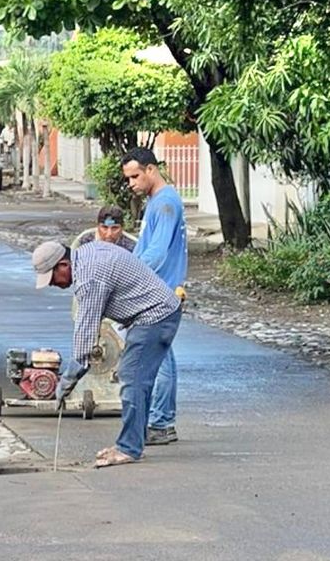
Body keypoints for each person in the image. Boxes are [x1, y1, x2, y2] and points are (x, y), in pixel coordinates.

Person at [32, 240, 182, 467]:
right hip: (158, 312)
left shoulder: (89, 278)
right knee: (139, 381)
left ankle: (129, 448)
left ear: (63, 265)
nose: (52, 284)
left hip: (154, 316)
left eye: (52, 278)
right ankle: (132, 443)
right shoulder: (86, 255)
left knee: (132, 378)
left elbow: (85, 339)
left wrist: (67, 381)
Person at [121, 147, 188, 446]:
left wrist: (127, 274)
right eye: (128, 178)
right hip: (157, 290)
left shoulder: (165, 204)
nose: (131, 183)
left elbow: (157, 252)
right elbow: (145, 248)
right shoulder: (157, 202)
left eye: (135, 176)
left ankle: (161, 422)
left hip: (159, 292)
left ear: (151, 170)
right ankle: (160, 420)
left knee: (159, 358)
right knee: (161, 355)